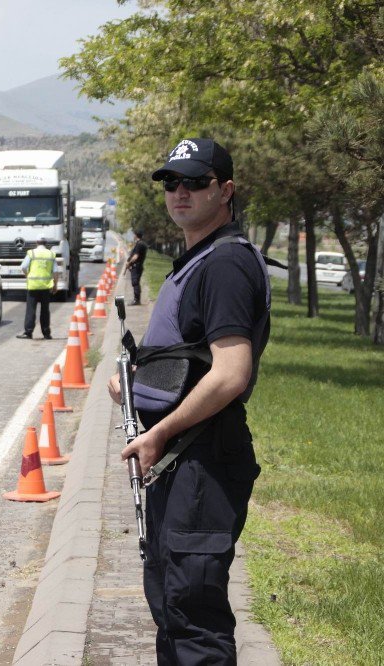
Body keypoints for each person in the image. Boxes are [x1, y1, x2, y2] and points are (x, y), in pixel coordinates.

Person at [107, 138, 271, 664]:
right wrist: (135, 385)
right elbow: (192, 358)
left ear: (225, 191)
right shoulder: (198, 258)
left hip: (201, 460)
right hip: (183, 460)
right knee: (173, 605)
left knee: (194, 617)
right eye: (171, 182)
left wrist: (158, 431)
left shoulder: (224, 265)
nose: (180, 192)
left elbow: (230, 375)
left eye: (195, 182)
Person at [16, 238, 56, 339]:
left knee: (31, 310)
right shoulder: (51, 254)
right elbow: (56, 272)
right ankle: (46, 333)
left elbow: (23, 267)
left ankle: (28, 332)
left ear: (36, 243)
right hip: (46, 286)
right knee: (45, 310)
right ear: (46, 243)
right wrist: (55, 285)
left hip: (33, 286)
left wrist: (28, 275)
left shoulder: (31, 253)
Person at [126, 229, 147, 304]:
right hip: (138, 266)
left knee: (135, 282)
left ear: (136, 235)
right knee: (136, 282)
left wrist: (129, 263)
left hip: (136, 266)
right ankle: (137, 299)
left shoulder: (139, 244)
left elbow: (136, 256)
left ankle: (136, 300)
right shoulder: (141, 243)